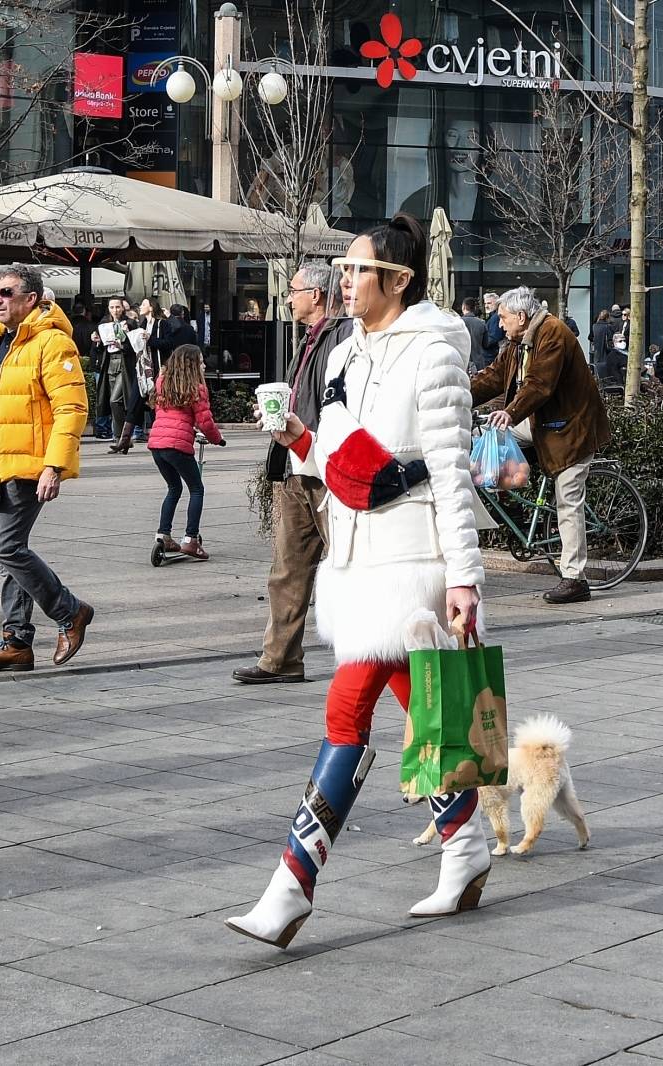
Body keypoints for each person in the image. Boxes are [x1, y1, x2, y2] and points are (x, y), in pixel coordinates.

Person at [226, 215, 490, 947]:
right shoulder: (347, 353)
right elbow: (340, 466)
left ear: (398, 280)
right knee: (424, 710)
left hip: (410, 563)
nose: (344, 280)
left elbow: (450, 472)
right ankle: (466, 850)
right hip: (354, 558)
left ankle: (290, 886)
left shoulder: (432, 354)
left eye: (357, 269)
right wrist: (296, 439)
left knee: (349, 709)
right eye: (343, 269)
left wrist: (463, 578)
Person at [0, 264, 94, 674]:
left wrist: (54, 465)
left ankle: (70, 612)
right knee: (9, 557)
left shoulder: (51, 342)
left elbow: (72, 408)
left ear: (31, 299)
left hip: (28, 464)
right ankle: (16, 642)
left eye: (6, 293)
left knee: (6, 547)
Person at [235, 262, 351, 685]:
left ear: (316, 295)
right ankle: (280, 659)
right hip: (295, 466)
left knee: (346, 564)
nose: (288, 297)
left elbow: (337, 405)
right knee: (287, 568)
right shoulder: (309, 338)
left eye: (294, 290)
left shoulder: (342, 337)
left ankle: (360, 658)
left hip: (323, 468)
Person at [471, 287, 611, 605]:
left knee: (568, 501)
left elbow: (539, 384)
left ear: (521, 317)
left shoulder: (553, 333)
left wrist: (510, 412)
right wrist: (457, 395)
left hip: (570, 428)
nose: (500, 325)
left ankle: (575, 579)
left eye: (503, 318)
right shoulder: (519, 342)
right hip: (542, 424)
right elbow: (494, 376)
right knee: (491, 445)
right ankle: (518, 507)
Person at [148, 344, 226, 559]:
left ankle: (163, 534)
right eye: (200, 361)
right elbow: (205, 421)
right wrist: (217, 440)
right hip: (178, 445)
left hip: (156, 443)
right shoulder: (196, 388)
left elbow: (164, 413)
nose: (203, 365)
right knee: (196, 489)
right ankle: (191, 539)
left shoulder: (162, 381)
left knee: (173, 488)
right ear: (191, 364)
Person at [96, 298, 143, 454]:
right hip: (110, 363)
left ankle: (122, 437)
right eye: (112, 307)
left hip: (125, 365)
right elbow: (99, 348)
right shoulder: (104, 323)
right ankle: (121, 439)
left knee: (115, 400)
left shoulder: (130, 323)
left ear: (123, 308)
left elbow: (136, 347)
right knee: (114, 402)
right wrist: (96, 341)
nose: (115, 310)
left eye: (117, 307)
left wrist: (122, 343)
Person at [459, 297, 487, 372]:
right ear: (474, 308)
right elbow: (486, 344)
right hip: (478, 363)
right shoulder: (482, 323)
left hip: (462, 362)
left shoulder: (457, 323)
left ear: (463, 307)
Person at [481, 290, 503, 371]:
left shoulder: (496, 317)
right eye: (485, 303)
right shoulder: (492, 317)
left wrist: (481, 342)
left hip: (491, 356)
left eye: (489, 303)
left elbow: (494, 337)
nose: (486, 306)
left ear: (496, 304)